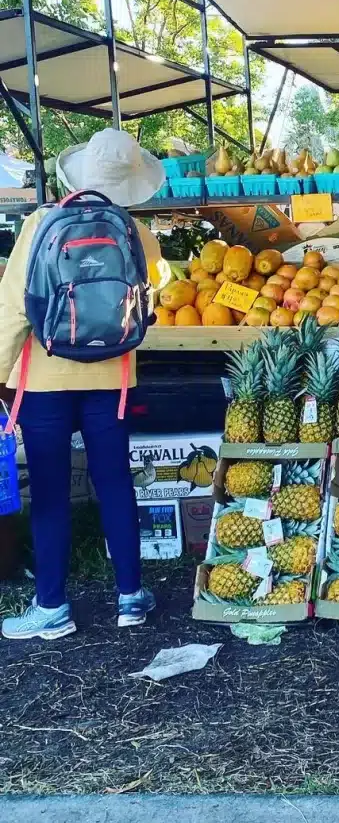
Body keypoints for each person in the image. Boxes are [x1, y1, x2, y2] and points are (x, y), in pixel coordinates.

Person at [0, 129, 166, 640]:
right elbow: (150, 302)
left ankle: (52, 608)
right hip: (112, 377)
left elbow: (13, 307)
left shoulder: (39, 224)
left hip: (44, 378)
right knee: (114, 481)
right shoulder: (137, 234)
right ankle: (131, 599)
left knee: (49, 491)